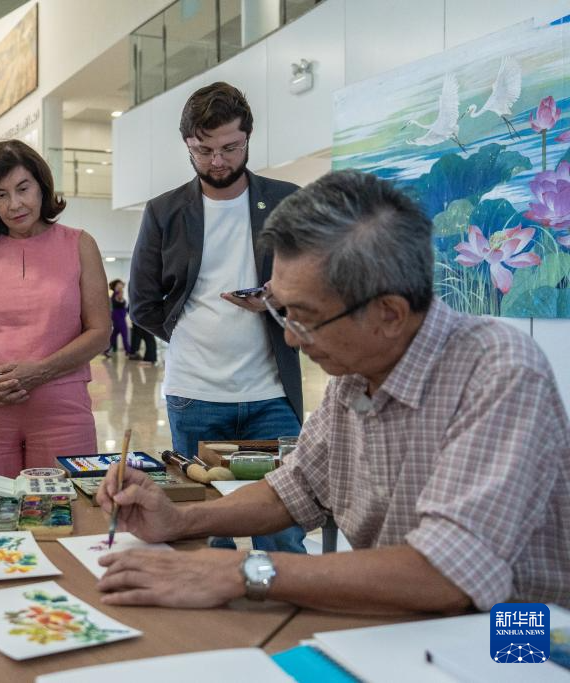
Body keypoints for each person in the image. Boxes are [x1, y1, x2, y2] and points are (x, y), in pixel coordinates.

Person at [96, 170, 570, 614]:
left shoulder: (498, 372)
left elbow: (447, 573)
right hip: (400, 626)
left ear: (389, 314)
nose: (290, 338)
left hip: (515, 641)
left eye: (304, 317)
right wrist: (181, 521)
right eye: (282, 312)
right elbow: (295, 488)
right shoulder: (354, 374)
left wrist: (243, 570)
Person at [129, 81, 305, 553]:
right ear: (187, 145)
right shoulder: (165, 211)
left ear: (248, 138)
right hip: (195, 394)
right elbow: (142, 302)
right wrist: (190, 332)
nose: (218, 161)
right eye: (203, 150)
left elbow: (318, 285)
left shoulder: (287, 201)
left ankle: (288, 602)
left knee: (283, 529)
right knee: (205, 533)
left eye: (231, 147)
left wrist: (276, 301)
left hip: (272, 395)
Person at [0, 139, 110, 477]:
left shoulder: (80, 244)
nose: (14, 204)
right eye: (0, 195)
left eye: (23, 188)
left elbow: (99, 332)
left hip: (63, 412)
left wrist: (41, 371)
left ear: (42, 186)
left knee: (65, 505)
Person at [107, 279, 130, 356]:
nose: (121, 286)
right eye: (119, 284)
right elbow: (120, 303)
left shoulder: (116, 294)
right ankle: (128, 351)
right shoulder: (117, 294)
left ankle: (107, 350)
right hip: (119, 319)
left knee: (114, 336)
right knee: (124, 335)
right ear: (116, 286)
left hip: (118, 318)